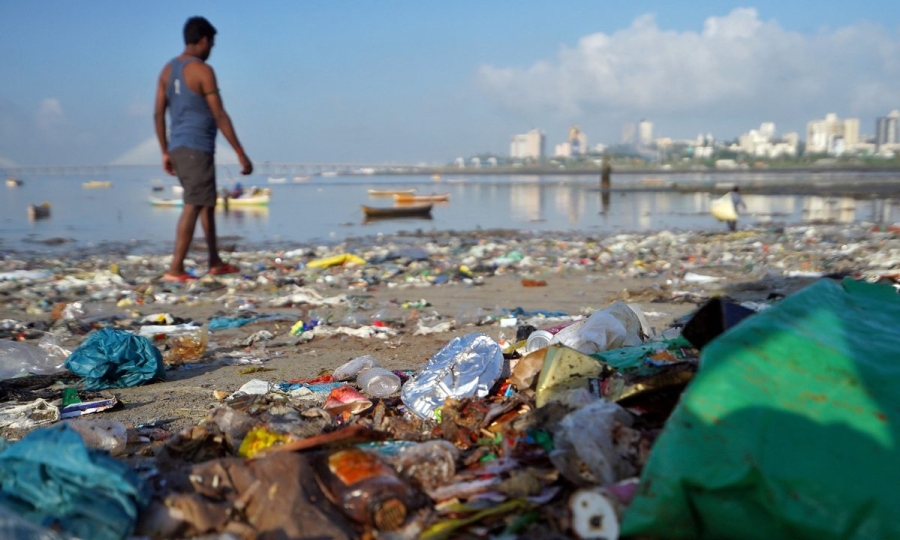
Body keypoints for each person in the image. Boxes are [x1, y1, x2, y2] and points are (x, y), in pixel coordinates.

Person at [154, 16, 252, 282]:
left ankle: (214, 261)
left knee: (207, 203)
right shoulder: (202, 71)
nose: (211, 50)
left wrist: (165, 150)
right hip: (196, 148)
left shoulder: (167, 70)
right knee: (194, 204)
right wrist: (240, 152)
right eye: (212, 44)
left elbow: (158, 114)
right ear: (204, 40)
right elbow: (219, 114)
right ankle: (175, 269)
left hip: (179, 147)